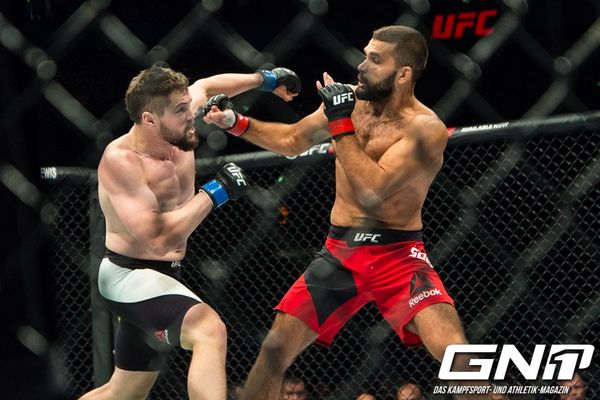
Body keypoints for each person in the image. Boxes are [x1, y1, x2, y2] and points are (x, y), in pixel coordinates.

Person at [203, 25, 483, 400]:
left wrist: (339, 121)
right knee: (274, 350)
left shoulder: (425, 129)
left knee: (455, 353)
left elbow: (374, 189)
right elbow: (292, 140)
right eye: (365, 55)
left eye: (375, 59)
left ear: (403, 74)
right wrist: (235, 123)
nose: (362, 65)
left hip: (399, 256)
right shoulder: (350, 103)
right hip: (341, 252)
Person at [79, 64, 300, 400]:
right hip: (128, 275)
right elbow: (158, 239)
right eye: (181, 111)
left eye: (188, 106)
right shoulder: (122, 161)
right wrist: (215, 192)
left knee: (123, 393)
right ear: (150, 119)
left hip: (167, 275)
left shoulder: (176, 119)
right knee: (208, 330)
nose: (191, 114)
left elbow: (206, 86)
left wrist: (267, 80)